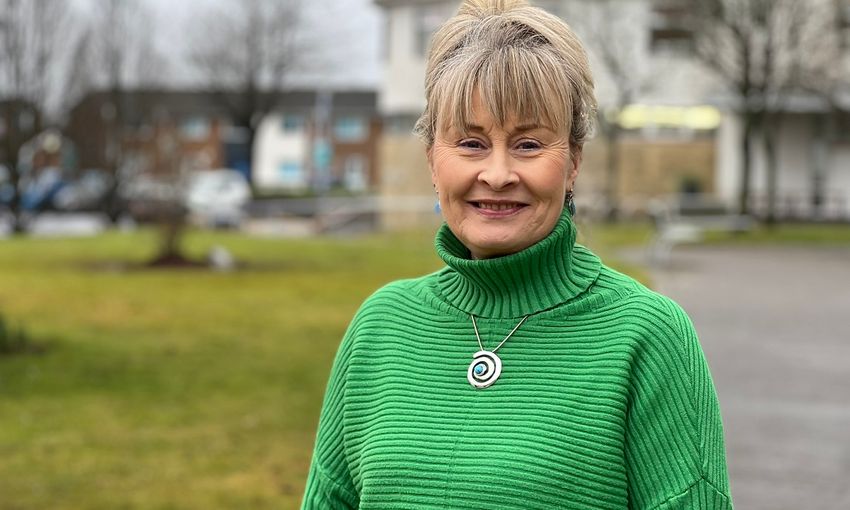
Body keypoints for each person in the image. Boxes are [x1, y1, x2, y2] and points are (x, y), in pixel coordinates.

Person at [302, 0, 733, 508]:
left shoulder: (646, 336)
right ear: (432, 161)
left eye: (528, 145)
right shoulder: (380, 326)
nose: (498, 173)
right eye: (470, 143)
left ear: (572, 162)